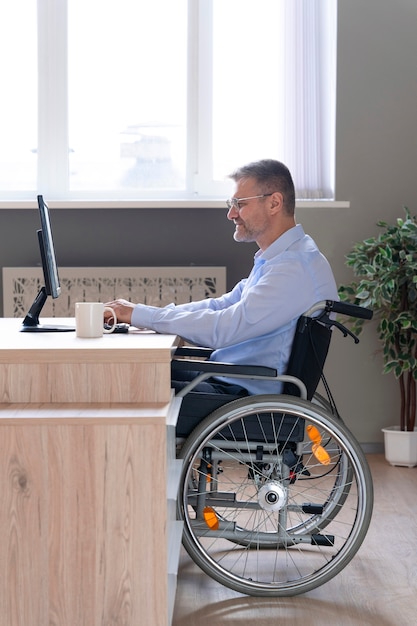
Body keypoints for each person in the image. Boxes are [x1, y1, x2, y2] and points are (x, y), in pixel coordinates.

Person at [105, 159, 338, 396]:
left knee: (128, 385)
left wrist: (141, 315)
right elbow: (220, 305)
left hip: (240, 395)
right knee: (132, 372)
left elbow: (223, 329)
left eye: (239, 203)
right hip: (228, 377)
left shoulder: (293, 268)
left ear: (274, 203)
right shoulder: (282, 258)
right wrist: (145, 314)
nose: (231, 214)